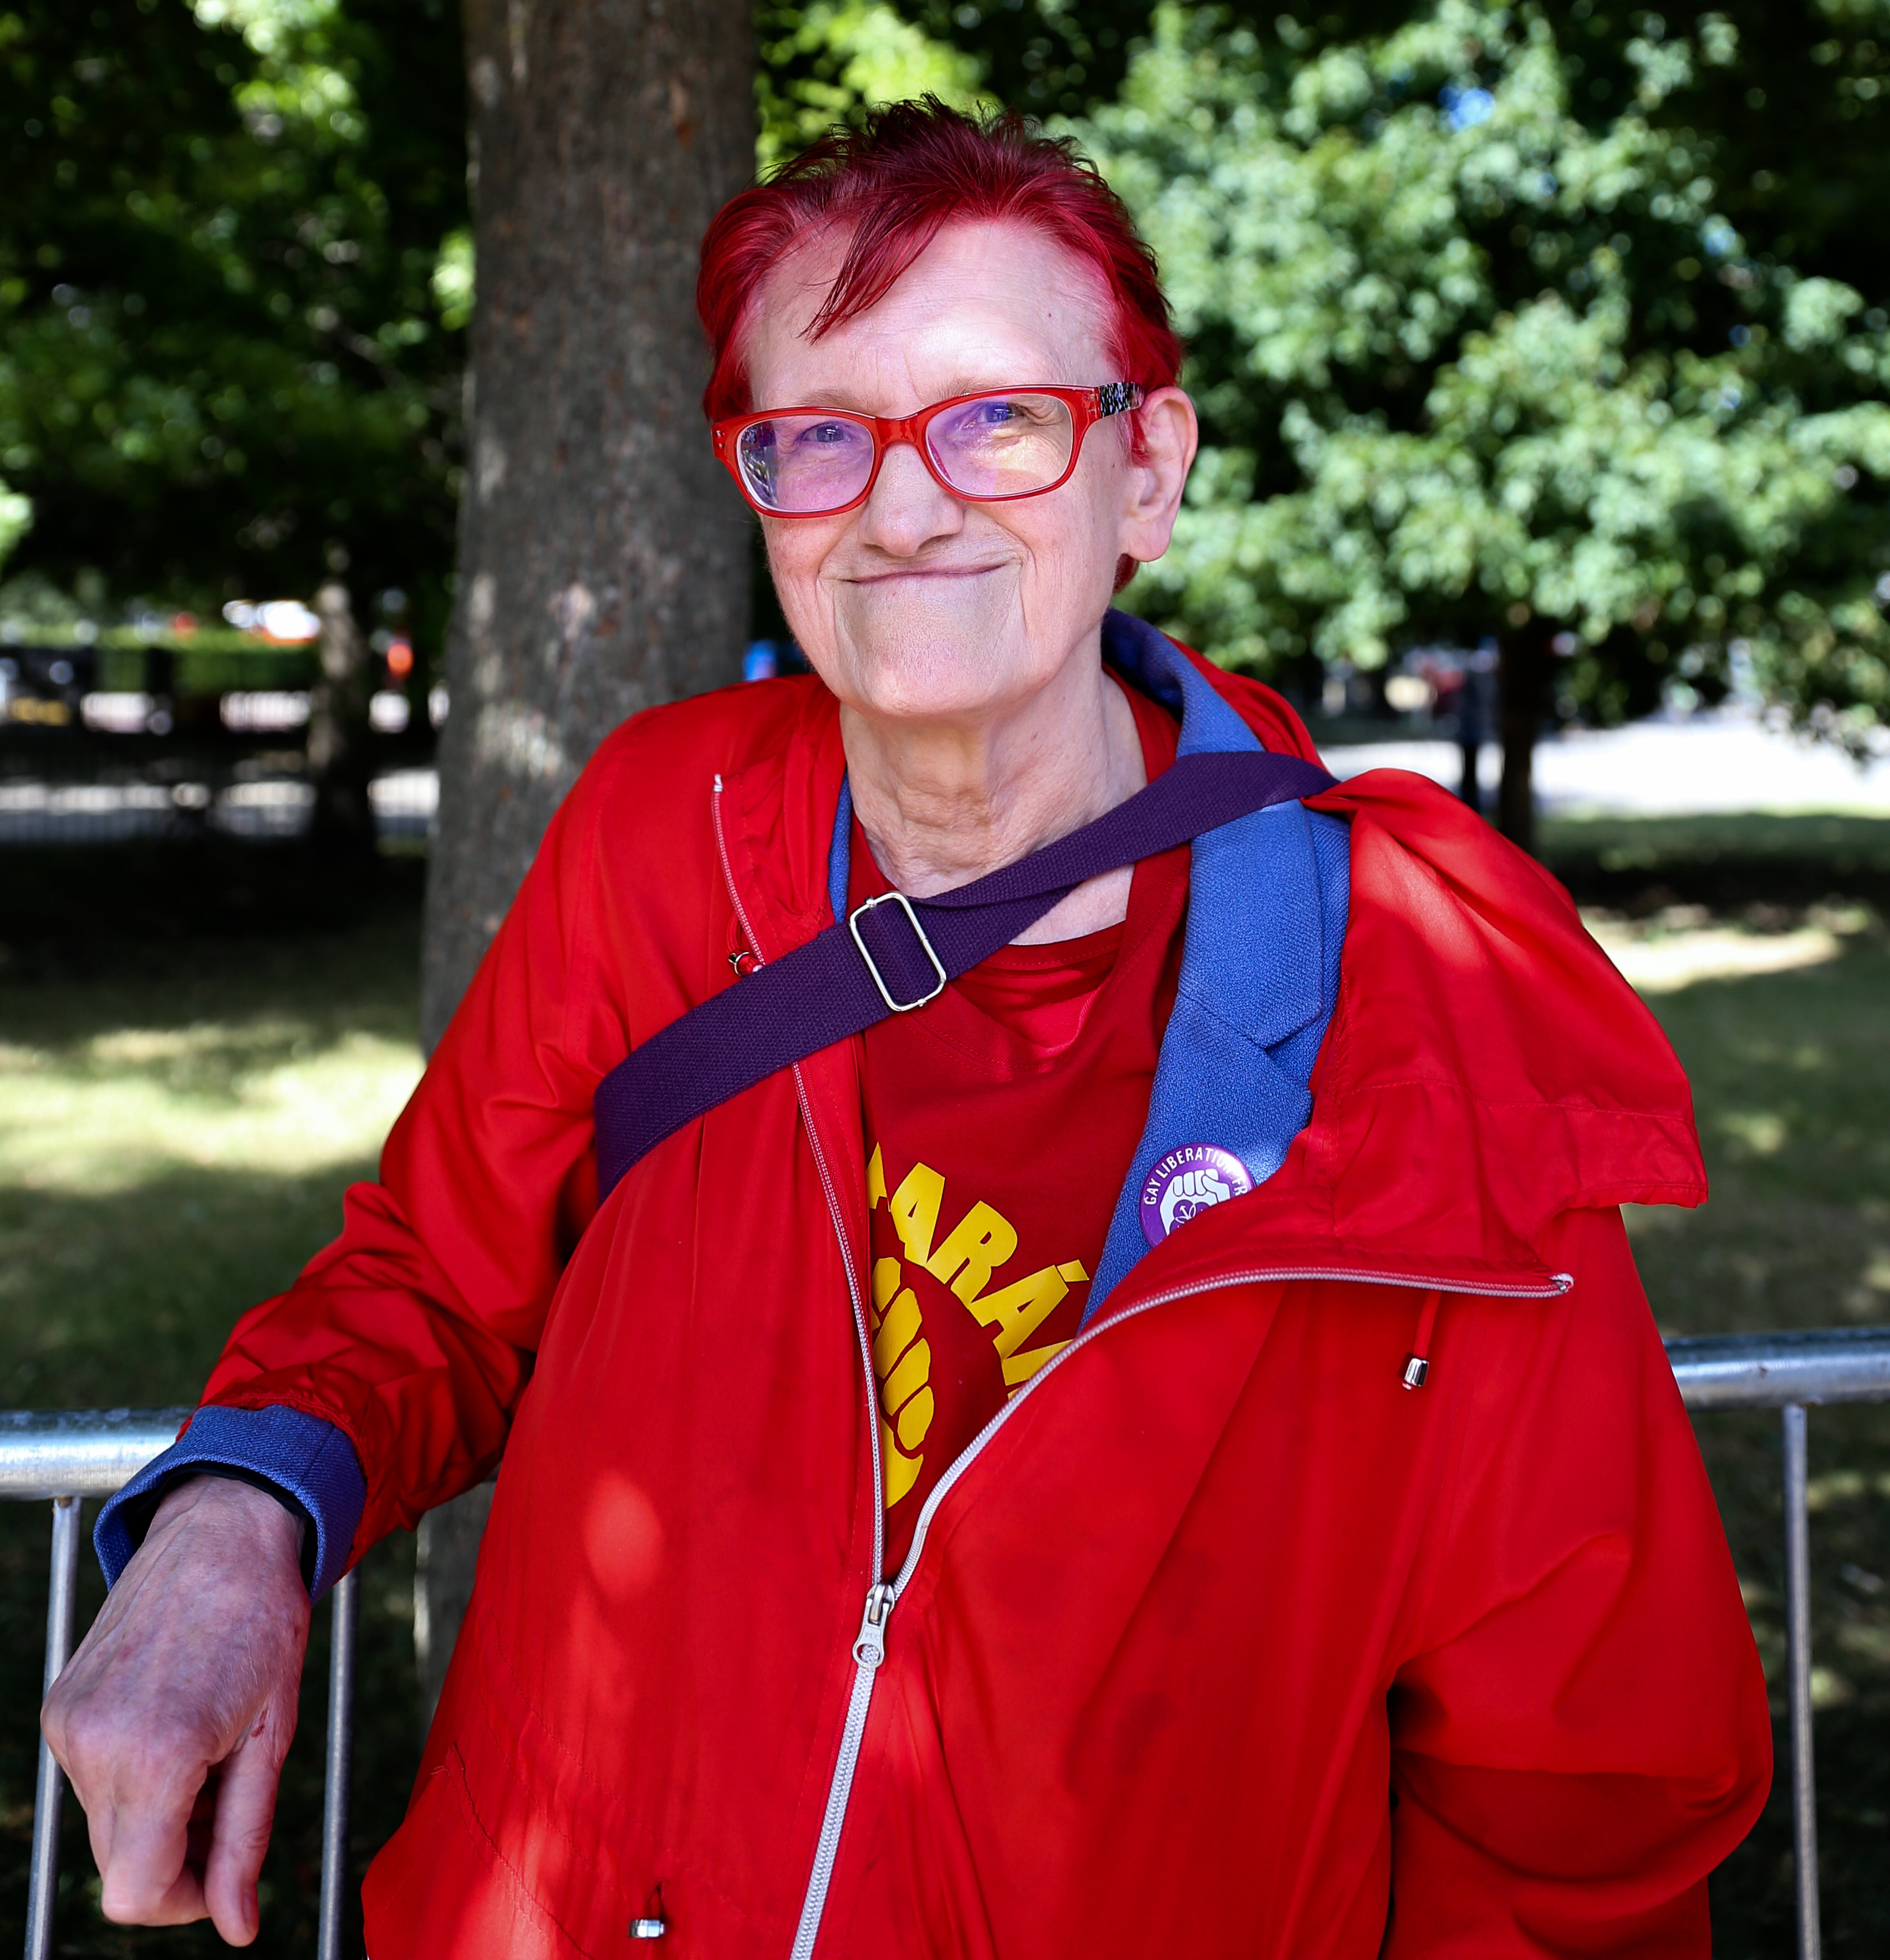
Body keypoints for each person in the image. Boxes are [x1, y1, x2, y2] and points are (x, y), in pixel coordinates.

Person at [45, 105, 1771, 1957]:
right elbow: (439, 1283)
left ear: (1146, 472)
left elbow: (1568, 1800)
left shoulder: (1421, 1005)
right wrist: (241, 1508)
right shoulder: (664, 826)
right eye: (814, 436)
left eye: (998, 419)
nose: (901, 502)